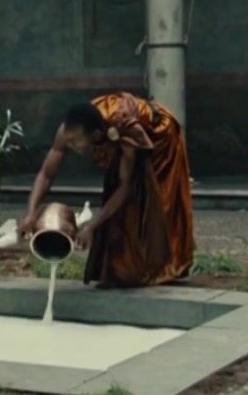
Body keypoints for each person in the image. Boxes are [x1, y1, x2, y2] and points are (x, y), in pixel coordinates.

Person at [18, 92, 195, 287]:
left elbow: (124, 187)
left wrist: (92, 226)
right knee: (117, 201)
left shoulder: (125, 134)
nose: (70, 147)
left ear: (95, 136)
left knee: (154, 201)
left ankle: (162, 266)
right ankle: (122, 268)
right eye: (68, 142)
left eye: (76, 143)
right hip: (114, 141)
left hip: (159, 138)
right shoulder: (67, 132)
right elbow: (46, 174)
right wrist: (31, 214)